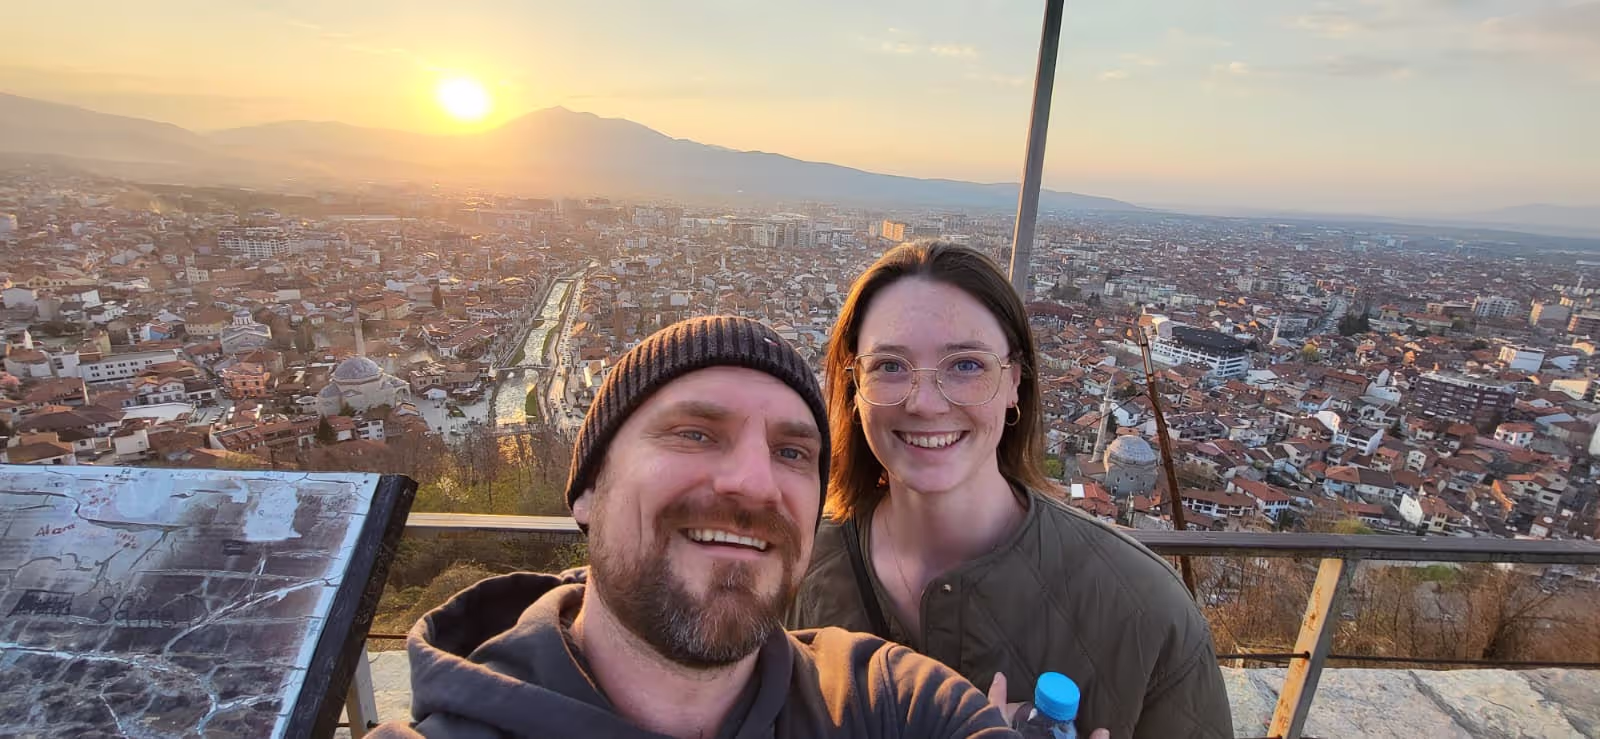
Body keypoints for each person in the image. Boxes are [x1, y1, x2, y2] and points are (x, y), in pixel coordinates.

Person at [370, 315, 1020, 738]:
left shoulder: (876, 698)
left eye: (792, 452)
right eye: (694, 433)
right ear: (589, 489)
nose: (755, 483)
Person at [788, 241, 1235, 738]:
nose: (926, 403)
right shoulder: (790, 569)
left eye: (966, 364)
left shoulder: (1148, 616)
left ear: (1014, 382)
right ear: (854, 387)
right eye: (890, 366)